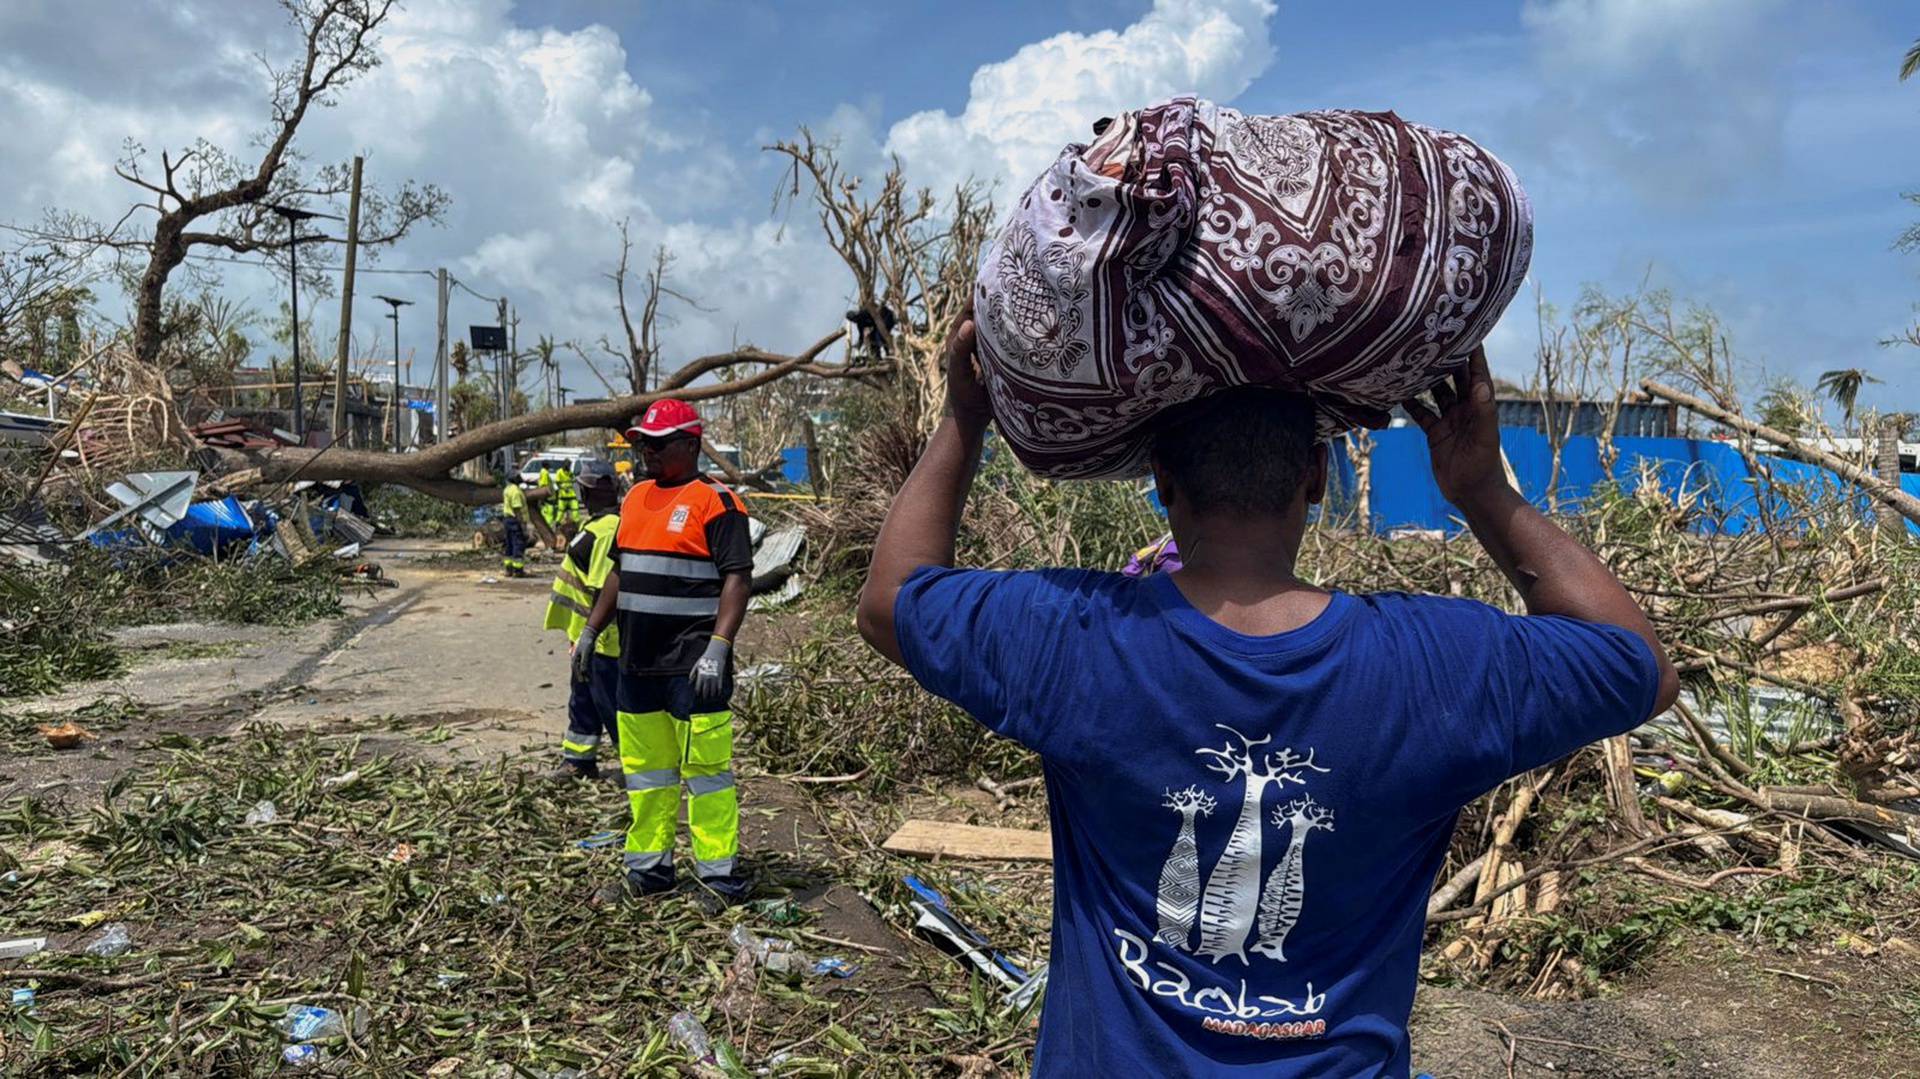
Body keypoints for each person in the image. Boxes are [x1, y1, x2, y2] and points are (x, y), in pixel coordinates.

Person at [855, 312, 1679, 1077]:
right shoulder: (1436, 664)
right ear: (1317, 477)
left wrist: (964, 418)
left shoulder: (1077, 637)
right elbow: (1637, 663)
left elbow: (891, 601)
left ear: (1161, 480)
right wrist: (1482, 490)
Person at [580, 398, 754, 908]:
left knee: (706, 774)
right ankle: (649, 870)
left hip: (692, 666)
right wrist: (592, 630)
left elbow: (737, 579)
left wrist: (719, 648)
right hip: (638, 663)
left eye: (658, 445)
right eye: (642, 444)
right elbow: (619, 572)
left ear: (691, 445)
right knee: (647, 773)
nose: (647, 453)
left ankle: (718, 877)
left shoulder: (716, 503)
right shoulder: (634, 499)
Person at [545, 471, 623, 781]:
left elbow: (603, 589)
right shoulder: (597, 528)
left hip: (604, 642)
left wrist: (591, 635)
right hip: (587, 637)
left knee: (611, 704)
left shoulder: (605, 532)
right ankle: (579, 761)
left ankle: (637, 766)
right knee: (583, 700)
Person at [499, 474, 531, 578]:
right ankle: (518, 570)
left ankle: (508, 569)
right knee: (518, 544)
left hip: (507, 519)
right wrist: (522, 525)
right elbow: (517, 509)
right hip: (515, 520)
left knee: (509, 544)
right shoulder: (516, 492)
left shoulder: (507, 489)